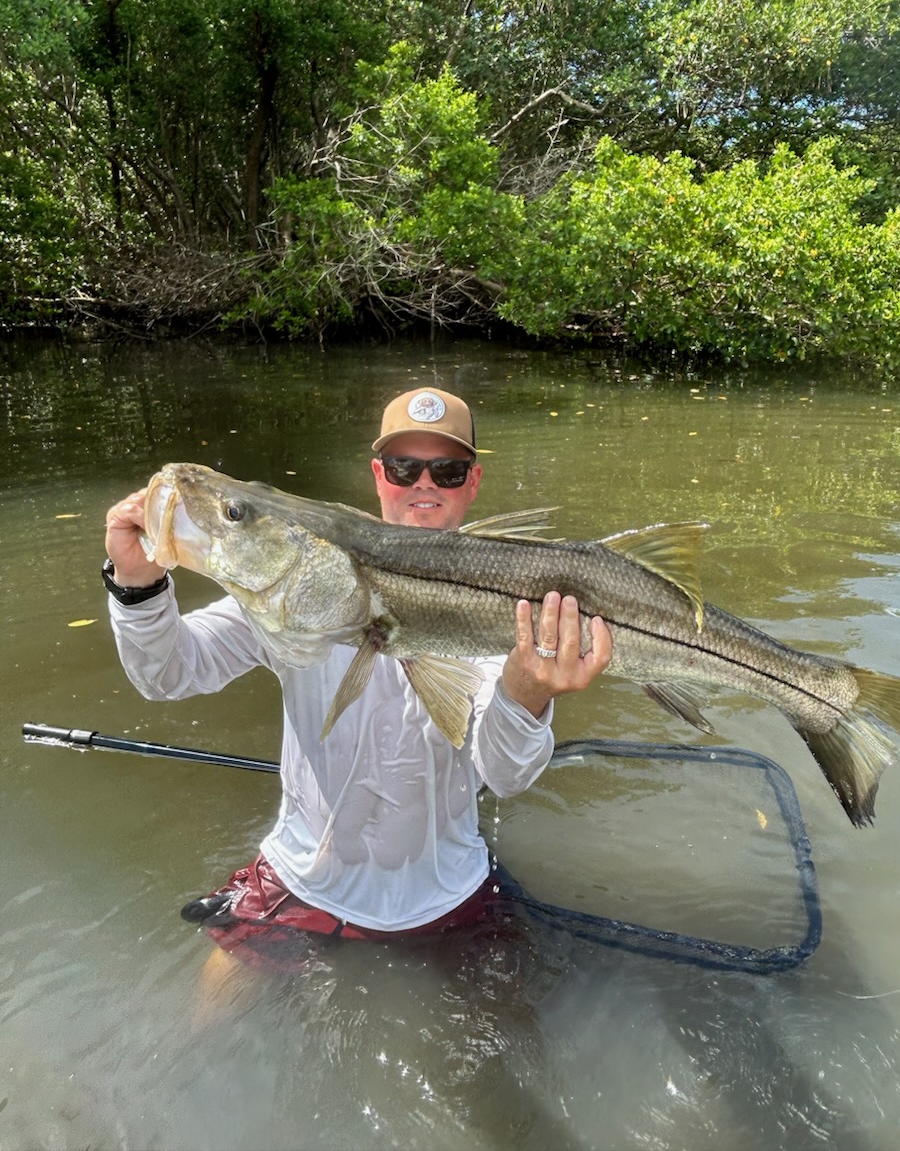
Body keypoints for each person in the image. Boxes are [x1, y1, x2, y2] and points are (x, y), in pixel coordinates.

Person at [103, 387, 612, 981]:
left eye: (447, 471)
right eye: (404, 467)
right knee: (207, 1006)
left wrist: (528, 691)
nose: (424, 484)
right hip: (301, 879)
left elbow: (505, 774)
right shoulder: (294, 586)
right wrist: (137, 587)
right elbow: (167, 674)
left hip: (446, 889)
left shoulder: (513, 604)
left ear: (472, 482)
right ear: (378, 475)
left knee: (511, 1021)